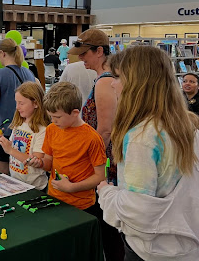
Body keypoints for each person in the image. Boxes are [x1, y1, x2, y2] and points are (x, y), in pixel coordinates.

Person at [98, 46, 199, 261]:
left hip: (153, 249)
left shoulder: (142, 136)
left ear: (136, 83)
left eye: (118, 77)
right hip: (192, 243)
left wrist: (106, 193)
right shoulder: (186, 126)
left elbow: (138, 210)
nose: (112, 83)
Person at [68, 28, 123, 261]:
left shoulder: (104, 82)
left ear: (99, 51)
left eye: (85, 54)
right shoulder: (110, 78)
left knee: (108, 222)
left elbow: (105, 129)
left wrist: (91, 165)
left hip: (106, 162)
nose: (81, 59)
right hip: (109, 159)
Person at [31, 81, 106, 213]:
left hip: (82, 205)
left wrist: (72, 187)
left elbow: (100, 176)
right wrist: (40, 163)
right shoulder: (51, 129)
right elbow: (49, 163)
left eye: (57, 117)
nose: (53, 121)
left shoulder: (92, 138)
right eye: (51, 117)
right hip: (54, 198)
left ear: (75, 113)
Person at [0, 38, 35, 174]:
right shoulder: (28, 73)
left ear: (2, 53)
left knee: (3, 175)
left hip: (4, 133)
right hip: (26, 133)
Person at [0, 82, 50, 190]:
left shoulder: (43, 130)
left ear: (36, 103)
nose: (17, 107)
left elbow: (37, 160)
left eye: (21, 103)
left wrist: (10, 150)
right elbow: (14, 145)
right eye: (16, 103)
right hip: (16, 182)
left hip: (34, 187)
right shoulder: (19, 123)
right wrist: (2, 140)